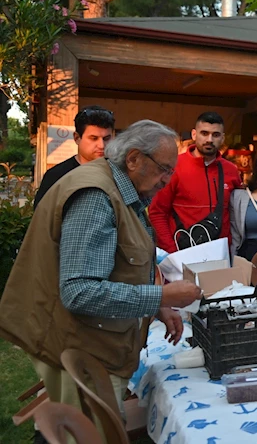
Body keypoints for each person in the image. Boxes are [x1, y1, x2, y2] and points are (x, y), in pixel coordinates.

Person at [0, 120, 202, 423]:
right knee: (88, 431)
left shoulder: (119, 188)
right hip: (79, 348)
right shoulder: (96, 196)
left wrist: (158, 307)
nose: (167, 179)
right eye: (164, 169)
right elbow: (80, 292)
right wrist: (161, 294)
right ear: (133, 159)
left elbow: (116, 266)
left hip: (88, 345)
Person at [149, 112, 242, 253]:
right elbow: (157, 213)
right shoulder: (174, 167)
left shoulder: (231, 171)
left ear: (222, 138)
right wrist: (172, 253)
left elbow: (237, 216)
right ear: (194, 134)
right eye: (204, 133)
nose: (209, 139)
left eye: (215, 135)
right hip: (183, 253)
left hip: (221, 257)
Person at [34, 105, 115, 209]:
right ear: (77, 138)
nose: (101, 145)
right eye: (94, 138)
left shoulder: (119, 173)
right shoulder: (56, 176)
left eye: (106, 138)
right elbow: (42, 218)